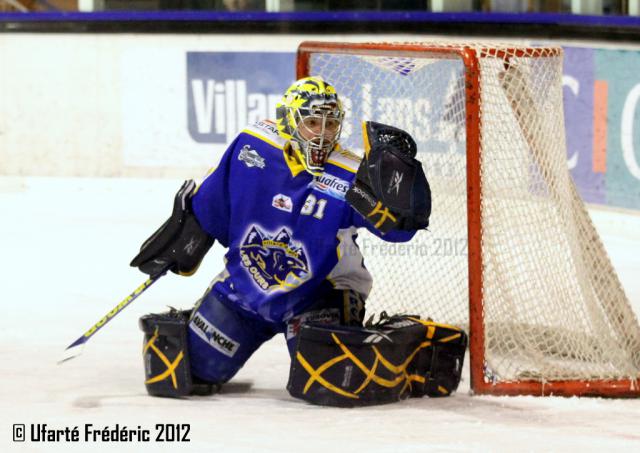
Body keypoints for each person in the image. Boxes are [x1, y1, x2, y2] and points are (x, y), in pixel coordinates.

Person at [131, 76, 433, 399]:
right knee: (183, 370)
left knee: (330, 381)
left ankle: (407, 339)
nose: (321, 134)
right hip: (246, 290)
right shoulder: (252, 147)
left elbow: (398, 231)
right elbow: (211, 205)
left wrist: (398, 199)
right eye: (312, 122)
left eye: (330, 124)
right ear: (289, 121)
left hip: (319, 294)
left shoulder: (349, 175)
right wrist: (186, 237)